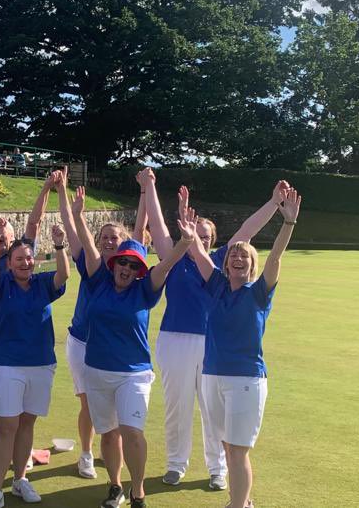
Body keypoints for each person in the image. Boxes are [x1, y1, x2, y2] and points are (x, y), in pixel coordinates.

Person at [142, 171, 290, 491]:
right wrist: (149, 187)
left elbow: (248, 229)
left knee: (214, 413)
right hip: (174, 339)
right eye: (199, 233)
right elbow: (155, 224)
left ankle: (217, 468)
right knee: (176, 406)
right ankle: (175, 464)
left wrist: (275, 202)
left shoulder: (224, 260)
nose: (203, 238)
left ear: (214, 239)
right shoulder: (178, 254)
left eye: (207, 235)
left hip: (210, 346)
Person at [74, 183, 195, 508]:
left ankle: (137, 490)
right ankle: (115, 486)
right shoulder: (98, 280)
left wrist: (185, 242)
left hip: (134, 374)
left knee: (132, 432)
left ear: (140, 271)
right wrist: (77, 216)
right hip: (97, 371)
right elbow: (88, 244)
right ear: (114, 264)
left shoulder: (146, 289)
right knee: (108, 434)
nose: (126, 269)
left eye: (133, 266)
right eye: (122, 263)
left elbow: (166, 265)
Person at [186, 188, 301, 508]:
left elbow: (276, 257)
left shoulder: (259, 292)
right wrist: (189, 231)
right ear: (227, 263)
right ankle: (244, 501)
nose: (238, 258)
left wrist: (288, 223)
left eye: (244, 256)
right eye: (234, 254)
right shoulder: (217, 287)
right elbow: (198, 254)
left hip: (246, 380)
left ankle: (237, 505)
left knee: (237, 451)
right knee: (227, 445)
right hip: (212, 377)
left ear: (251, 264)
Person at [55, 166, 149, 482]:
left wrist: (144, 191)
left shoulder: (129, 268)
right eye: (104, 237)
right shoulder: (91, 264)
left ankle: (116, 469)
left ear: (124, 244)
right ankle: (85, 454)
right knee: (88, 405)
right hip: (82, 342)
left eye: (115, 238)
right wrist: (62, 194)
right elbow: (71, 226)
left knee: (117, 416)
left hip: (115, 352)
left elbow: (141, 228)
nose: (109, 241)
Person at [0, 219, 69, 508]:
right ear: (10, 263)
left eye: (29, 258)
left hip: (41, 363)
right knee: (6, 426)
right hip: (6, 364)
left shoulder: (43, 282)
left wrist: (58, 245)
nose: (25, 263)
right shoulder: (1, 283)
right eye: (19, 259)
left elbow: (64, 275)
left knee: (27, 423)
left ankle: (20, 480)